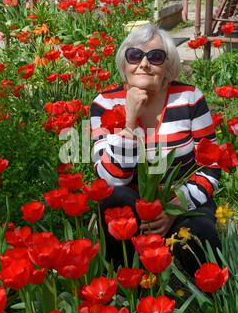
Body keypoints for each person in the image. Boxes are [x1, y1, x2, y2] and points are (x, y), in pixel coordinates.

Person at [90, 24, 221, 277]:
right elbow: (111, 179)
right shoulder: (104, 103)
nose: (144, 64)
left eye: (156, 57)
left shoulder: (189, 99)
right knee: (116, 198)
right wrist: (128, 121)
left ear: (168, 65)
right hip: (132, 204)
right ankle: (127, 285)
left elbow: (211, 166)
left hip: (180, 201)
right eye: (135, 55)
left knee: (201, 233)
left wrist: (173, 209)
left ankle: (210, 299)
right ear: (124, 62)